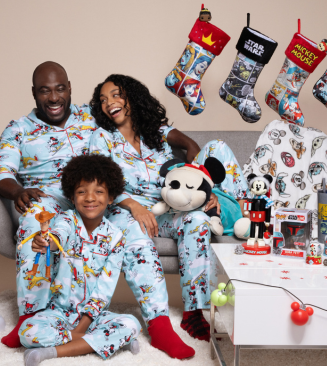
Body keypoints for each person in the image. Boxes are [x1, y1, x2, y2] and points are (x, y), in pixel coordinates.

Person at [0, 62, 191, 358]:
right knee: (35, 221)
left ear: (70, 88)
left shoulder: (91, 116)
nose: (54, 97)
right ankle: (29, 318)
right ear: (34, 94)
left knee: (134, 227)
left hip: (98, 200)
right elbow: (0, 172)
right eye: (45, 91)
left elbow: (141, 121)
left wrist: (186, 142)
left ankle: (159, 325)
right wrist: (18, 190)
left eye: (60, 89)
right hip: (48, 198)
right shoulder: (19, 129)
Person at [89, 74, 249, 341]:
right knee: (181, 218)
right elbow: (100, 182)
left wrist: (206, 190)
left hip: (170, 207)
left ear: (132, 96)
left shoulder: (157, 132)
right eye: (103, 100)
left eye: (116, 94)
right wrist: (134, 206)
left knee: (198, 218)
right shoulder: (102, 138)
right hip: (127, 210)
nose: (110, 103)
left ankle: (194, 312)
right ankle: (161, 319)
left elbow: (191, 149)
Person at [20, 155, 140, 366]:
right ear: (73, 197)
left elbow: (105, 288)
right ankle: (111, 343)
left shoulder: (116, 238)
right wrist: (48, 243)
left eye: (99, 191)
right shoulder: (66, 220)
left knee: (131, 324)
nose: (90, 198)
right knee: (28, 332)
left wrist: (81, 328)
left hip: (94, 318)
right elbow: (58, 236)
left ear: (111, 197)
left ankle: (52, 353)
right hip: (58, 313)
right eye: (82, 191)